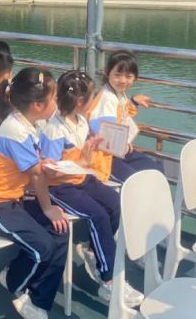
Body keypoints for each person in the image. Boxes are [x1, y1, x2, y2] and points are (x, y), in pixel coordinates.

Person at [0, 67, 69, 319]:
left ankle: (37, 299)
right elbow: (36, 176)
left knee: (60, 231)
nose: (57, 102)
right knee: (43, 247)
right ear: (37, 105)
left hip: (10, 198)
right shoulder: (17, 132)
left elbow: (33, 167)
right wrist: (48, 208)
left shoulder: (26, 124)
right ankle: (14, 280)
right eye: (54, 98)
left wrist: (41, 164)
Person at [39, 70, 143, 307]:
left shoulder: (81, 121)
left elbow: (84, 150)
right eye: (91, 97)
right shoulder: (55, 130)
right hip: (60, 187)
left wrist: (93, 146)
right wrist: (81, 161)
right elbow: (49, 172)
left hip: (80, 177)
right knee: (97, 215)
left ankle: (96, 250)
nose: (94, 101)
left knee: (115, 204)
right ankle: (108, 280)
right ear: (80, 101)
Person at [86, 50, 162, 183]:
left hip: (115, 152)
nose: (122, 80)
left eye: (128, 76)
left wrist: (132, 102)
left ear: (135, 77)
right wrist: (124, 147)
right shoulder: (107, 99)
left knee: (155, 170)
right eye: (118, 75)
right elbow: (105, 137)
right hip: (103, 159)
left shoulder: (117, 93)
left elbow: (121, 114)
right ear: (107, 73)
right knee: (137, 181)